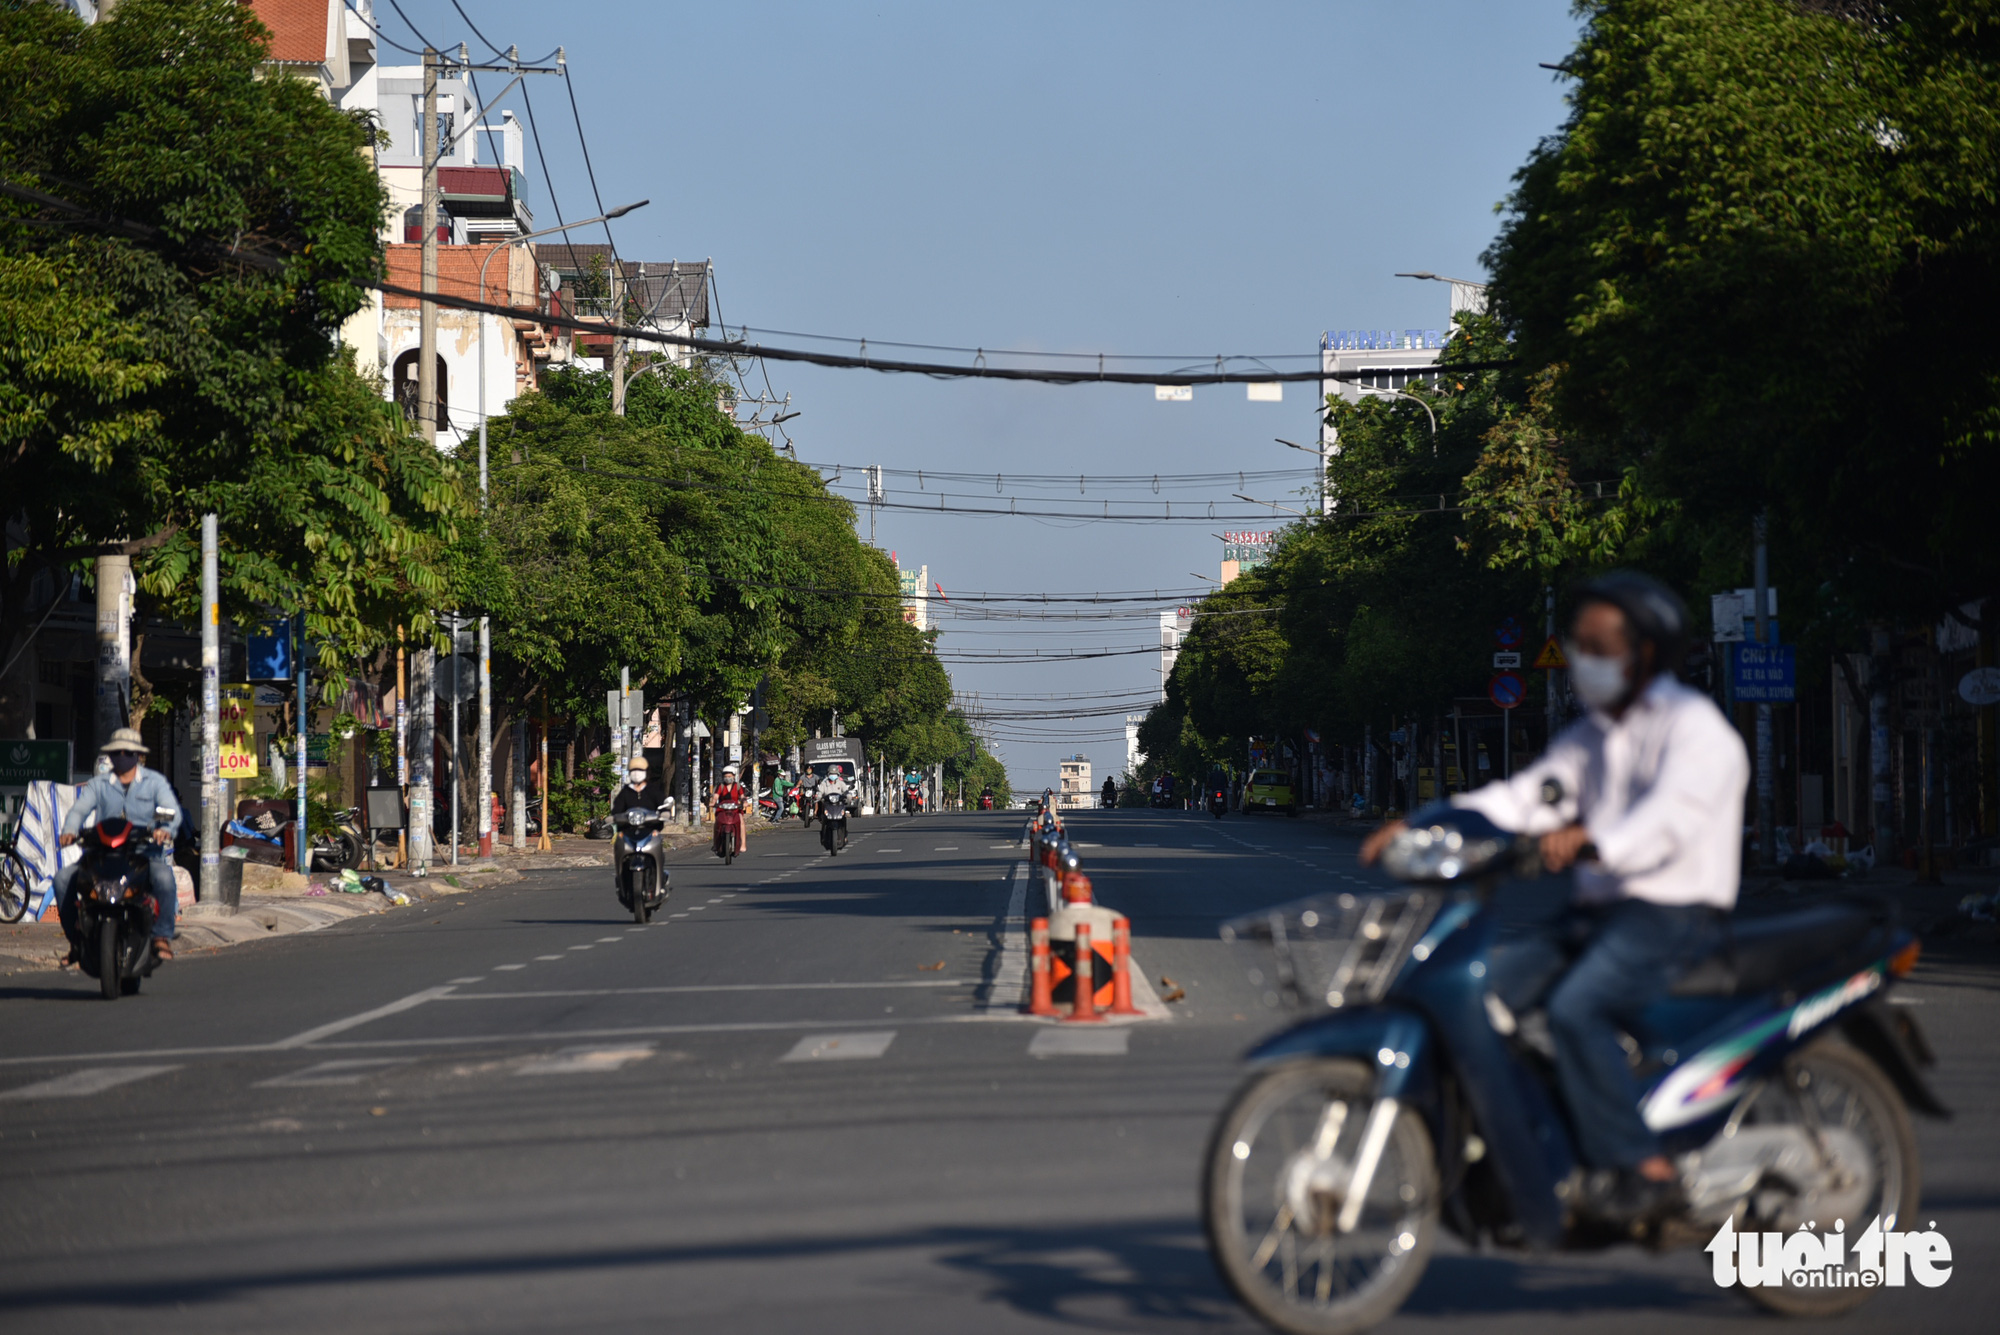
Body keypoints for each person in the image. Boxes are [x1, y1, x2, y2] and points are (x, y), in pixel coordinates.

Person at [1362, 572, 1747, 1226]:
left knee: (1574, 1008)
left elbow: (1664, 823)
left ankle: (1644, 1165)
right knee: (1483, 994)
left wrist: (1588, 839)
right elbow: (1523, 796)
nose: (1581, 659)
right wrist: (1428, 819)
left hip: (1672, 914)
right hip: (1596, 915)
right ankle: (1551, 1146)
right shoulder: (1591, 736)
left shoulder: (1695, 729)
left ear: (1645, 653)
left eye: (1598, 646)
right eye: (1578, 643)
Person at [56, 728, 183, 963]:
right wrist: (70, 831)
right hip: (103, 854)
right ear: (111, 755)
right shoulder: (99, 784)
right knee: (62, 879)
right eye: (117, 752)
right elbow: (79, 810)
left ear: (138, 755)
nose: (122, 755)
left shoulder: (155, 783)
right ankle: (77, 941)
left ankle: (161, 936)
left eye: (128, 752)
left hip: (143, 854)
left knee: (165, 879)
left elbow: (169, 810)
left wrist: (164, 830)